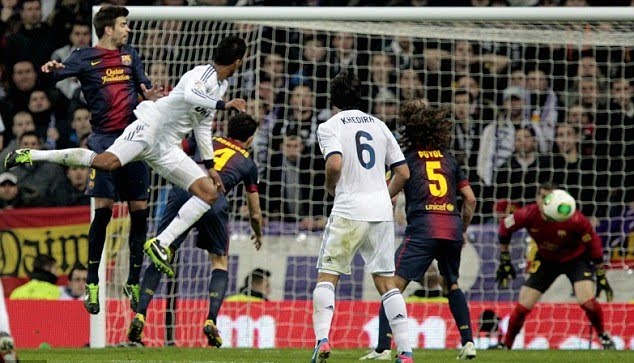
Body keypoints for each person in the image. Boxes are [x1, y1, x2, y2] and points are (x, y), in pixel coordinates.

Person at [5, 35, 248, 282]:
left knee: (208, 192)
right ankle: (32, 154)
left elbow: (203, 127)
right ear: (238, 62)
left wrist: (210, 165)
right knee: (105, 162)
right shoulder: (202, 75)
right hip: (149, 127)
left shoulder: (221, 87)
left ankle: (161, 244)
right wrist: (223, 105)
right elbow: (191, 97)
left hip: (167, 146)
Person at [35, 5, 162, 315]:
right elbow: (59, 72)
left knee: (139, 212)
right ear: (108, 29)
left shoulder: (131, 54)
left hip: (133, 141)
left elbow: (143, 86)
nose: (127, 29)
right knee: (103, 212)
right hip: (104, 141)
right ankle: (92, 281)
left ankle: (133, 280)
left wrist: (151, 95)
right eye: (123, 24)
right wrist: (53, 68)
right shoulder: (84, 57)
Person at [127, 112, 262, 347]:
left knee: (162, 251)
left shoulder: (206, 140)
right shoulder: (248, 163)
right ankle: (210, 320)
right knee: (219, 262)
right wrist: (257, 231)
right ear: (250, 139)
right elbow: (255, 210)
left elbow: (177, 148)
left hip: (185, 188)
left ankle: (140, 314)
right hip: (214, 199)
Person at [360, 101, 477, 361]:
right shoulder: (449, 159)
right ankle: (469, 342)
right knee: (452, 284)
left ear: (409, 132)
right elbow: (470, 199)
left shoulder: (407, 160)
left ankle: (382, 348)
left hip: (423, 228)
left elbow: (389, 197)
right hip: (451, 226)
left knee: (392, 287)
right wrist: (462, 229)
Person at [311, 71, 413, 363]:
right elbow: (403, 172)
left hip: (348, 209)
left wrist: (331, 187)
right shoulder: (380, 126)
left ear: (333, 99)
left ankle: (322, 340)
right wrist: (386, 194)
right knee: (386, 283)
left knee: (327, 278)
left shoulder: (329, 126)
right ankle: (405, 352)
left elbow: (334, 163)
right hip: (381, 212)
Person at [495, 183, 616, 350]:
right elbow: (504, 227)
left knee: (586, 302)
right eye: (543, 197)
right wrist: (505, 258)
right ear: (537, 198)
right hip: (547, 261)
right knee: (523, 306)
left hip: (575, 260)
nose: (546, 201)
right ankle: (506, 345)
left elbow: (593, 242)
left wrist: (600, 273)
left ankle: (604, 336)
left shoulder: (574, 219)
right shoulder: (528, 214)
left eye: (550, 198)